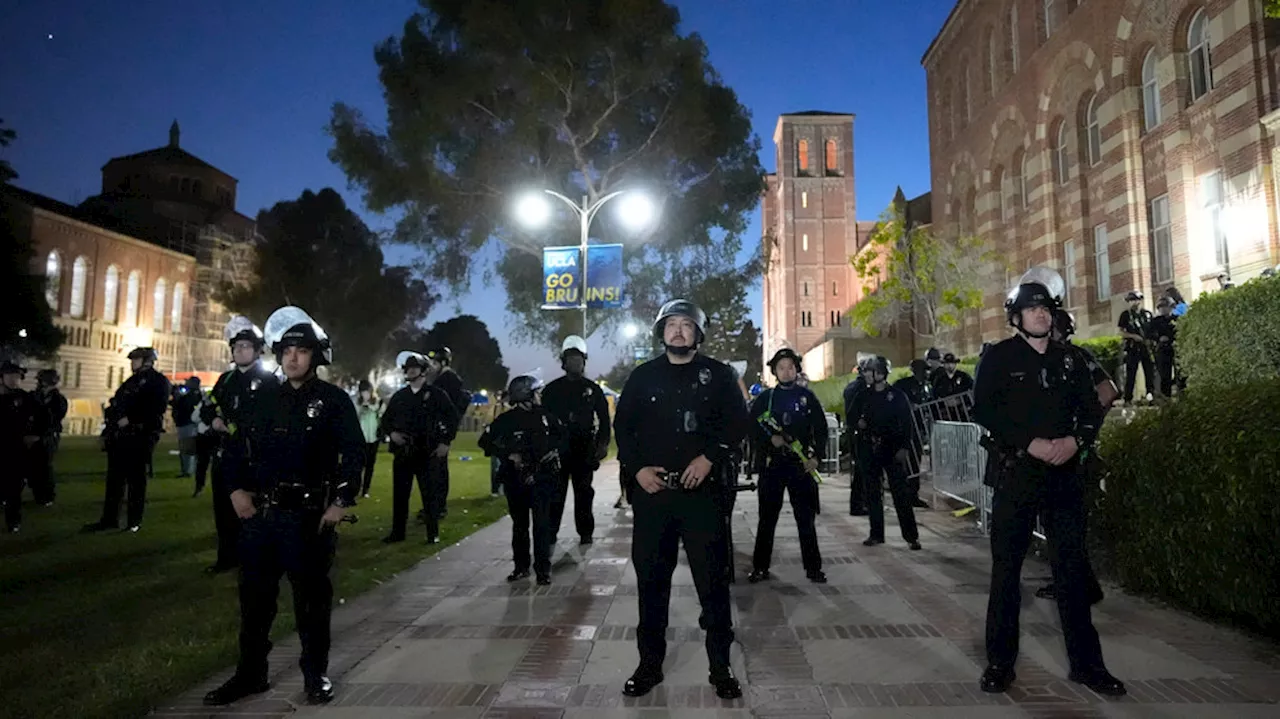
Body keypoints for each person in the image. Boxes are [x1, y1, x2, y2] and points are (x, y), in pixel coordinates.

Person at [973, 267, 1124, 697]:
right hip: (1018, 474)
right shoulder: (999, 359)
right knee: (1006, 573)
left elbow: (1092, 409)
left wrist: (1076, 442)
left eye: (1045, 308)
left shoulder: (1071, 360)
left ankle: (1088, 666)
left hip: (1064, 477)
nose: (1040, 314)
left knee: (1072, 572)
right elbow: (985, 411)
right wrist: (1030, 443)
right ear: (1016, 317)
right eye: (1030, 308)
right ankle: (1000, 664)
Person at [204, 306, 365, 707]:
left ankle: (315, 675)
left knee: (311, 604)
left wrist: (341, 502)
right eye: (287, 349)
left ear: (316, 356)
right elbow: (237, 449)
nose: (293, 357)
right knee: (254, 602)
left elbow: (354, 454)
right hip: (263, 517)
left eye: (302, 350)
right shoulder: (263, 400)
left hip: (309, 518)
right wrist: (236, 491)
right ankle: (250, 675)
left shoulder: (333, 401)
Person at [613, 299, 747, 700]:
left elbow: (737, 423)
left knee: (713, 582)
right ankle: (649, 664)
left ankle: (720, 665)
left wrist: (709, 458)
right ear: (661, 331)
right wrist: (637, 470)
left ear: (698, 333)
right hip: (654, 497)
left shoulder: (719, 376)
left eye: (686, 325)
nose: (678, 331)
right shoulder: (642, 377)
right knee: (652, 583)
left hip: (702, 496)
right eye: (671, 324)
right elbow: (625, 430)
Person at [1033, 309, 1111, 605]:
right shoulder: (1064, 358)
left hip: (1072, 454)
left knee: (1066, 523)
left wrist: (1082, 432)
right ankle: (1078, 584)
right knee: (1063, 523)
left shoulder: (1072, 358)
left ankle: (1077, 586)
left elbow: (1108, 392)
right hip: (1064, 450)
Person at [201, 316, 279, 573]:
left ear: (257, 351)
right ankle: (226, 558)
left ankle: (253, 560)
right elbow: (209, 406)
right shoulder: (225, 380)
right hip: (224, 454)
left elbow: (268, 418)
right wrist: (213, 420)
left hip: (251, 456)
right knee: (222, 511)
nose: (240, 351)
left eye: (246, 347)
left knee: (250, 511)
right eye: (236, 347)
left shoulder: (267, 381)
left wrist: (236, 425)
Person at [747, 348, 828, 584]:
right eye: (781, 367)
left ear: (796, 369)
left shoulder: (807, 397)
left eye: (790, 367)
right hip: (773, 466)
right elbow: (752, 427)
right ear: (774, 371)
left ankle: (813, 568)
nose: (786, 371)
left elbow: (820, 430)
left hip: (800, 466)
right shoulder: (766, 398)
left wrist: (816, 458)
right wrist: (769, 440)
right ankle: (760, 567)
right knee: (767, 519)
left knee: (806, 519)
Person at [479, 373, 565, 585]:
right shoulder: (506, 420)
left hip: (542, 478)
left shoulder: (545, 416)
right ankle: (521, 566)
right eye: (536, 392)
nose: (539, 396)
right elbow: (485, 442)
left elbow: (563, 437)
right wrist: (509, 453)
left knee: (541, 525)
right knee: (520, 525)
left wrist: (552, 451)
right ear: (526, 394)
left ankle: (543, 570)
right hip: (515, 479)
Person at [84, 347, 170, 533]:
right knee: (114, 479)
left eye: (136, 360)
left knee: (136, 480)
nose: (132, 363)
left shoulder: (158, 382)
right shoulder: (131, 382)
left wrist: (132, 419)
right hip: (120, 436)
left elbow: (155, 409)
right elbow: (117, 404)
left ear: (147, 361)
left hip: (141, 435)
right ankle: (109, 519)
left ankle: (134, 520)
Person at [380, 351, 459, 544]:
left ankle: (433, 533)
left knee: (429, 495)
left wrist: (445, 442)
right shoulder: (400, 396)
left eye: (414, 368)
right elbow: (386, 420)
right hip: (403, 453)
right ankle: (398, 533)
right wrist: (392, 434)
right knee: (400, 495)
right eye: (407, 368)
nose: (409, 371)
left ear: (423, 371)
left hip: (426, 452)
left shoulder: (436, 395)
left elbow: (452, 418)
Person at [542, 335, 611, 545]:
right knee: (555, 494)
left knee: (584, 493)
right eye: (571, 360)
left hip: (584, 448)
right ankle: (550, 532)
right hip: (558, 448)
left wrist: (602, 444)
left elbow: (604, 420)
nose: (576, 363)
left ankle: (586, 532)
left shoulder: (593, 389)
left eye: (579, 360)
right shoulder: (552, 390)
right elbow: (541, 419)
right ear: (564, 363)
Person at [850, 356, 920, 550]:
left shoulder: (896, 395)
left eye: (870, 371)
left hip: (892, 449)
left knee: (900, 494)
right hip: (870, 449)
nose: (866, 375)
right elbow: (851, 416)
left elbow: (907, 424)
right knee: (873, 493)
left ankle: (911, 536)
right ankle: (876, 534)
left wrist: (904, 447)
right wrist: (859, 424)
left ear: (880, 373)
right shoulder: (863, 395)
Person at [422, 346, 469, 522]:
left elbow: (450, 412)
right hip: (437, 431)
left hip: (442, 432)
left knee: (438, 471)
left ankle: (438, 507)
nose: (432, 366)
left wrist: (446, 437)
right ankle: (433, 506)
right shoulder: (444, 378)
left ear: (443, 362)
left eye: (434, 363)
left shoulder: (449, 380)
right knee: (434, 470)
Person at [2, 360, 48, 533]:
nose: (14, 379)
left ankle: (13, 521)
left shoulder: (26, 398)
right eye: (10, 375)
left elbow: (44, 417)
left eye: (17, 376)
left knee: (14, 488)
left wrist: (36, 434)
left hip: (15, 450)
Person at [892, 359, 936, 506]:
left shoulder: (926, 386)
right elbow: (894, 402)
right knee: (905, 463)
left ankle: (912, 495)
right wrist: (909, 406)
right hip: (904, 430)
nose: (926, 373)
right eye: (924, 370)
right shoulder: (903, 385)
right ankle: (903, 493)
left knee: (915, 463)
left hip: (918, 430)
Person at [842, 354, 875, 516]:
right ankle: (859, 505)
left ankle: (861, 504)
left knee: (862, 471)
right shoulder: (861, 389)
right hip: (860, 434)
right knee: (863, 472)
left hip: (855, 433)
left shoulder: (853, 386)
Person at [31, 368, 67, 506]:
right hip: (36, 435)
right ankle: (38, 493)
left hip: (49, 435)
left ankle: (47, 496)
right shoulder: (36, 396)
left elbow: (55, 418)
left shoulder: (58, 399)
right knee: (34, 465)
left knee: (45, 465)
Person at [1116, 290, 1155, 404]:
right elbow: (1121, 332)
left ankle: (1150, 395)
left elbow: (1152, 331)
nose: (1133, 303)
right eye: (1130, 300)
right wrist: (1133, 336)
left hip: (1145, 347)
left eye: (1135, 300)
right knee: (1131, 373)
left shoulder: (1147, 314)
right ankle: (1128, 398)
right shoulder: (1126, 315)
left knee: (1149, 372)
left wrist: (1151, 340)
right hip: (1133, 347)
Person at [354, 380, 384, 498]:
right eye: (363, 392)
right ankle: (356, 487)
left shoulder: (376, 402)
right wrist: (362, 407)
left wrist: (370, 406)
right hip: (361, 437)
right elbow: (356, 415)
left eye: (367, 392)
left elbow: (379, 412)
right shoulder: (357, 403)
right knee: (359, 464)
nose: (365, 394)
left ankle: (366, 489)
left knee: (370, 465)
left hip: (373, 437)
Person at [173, 376, 203, 478]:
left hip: (187, 423)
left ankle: (187, 471)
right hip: (187, 423)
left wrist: (179, 397)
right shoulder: (195, 394)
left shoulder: (191, 396)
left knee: (187, 448)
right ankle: (188, 470)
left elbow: (183, 406)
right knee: (188, 448)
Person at [1149, 298, 1179, 398]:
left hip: (1176, 348)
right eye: (1160, 307)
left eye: (1165, 307)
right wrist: (1158, 338)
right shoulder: (1156, 321)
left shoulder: (1177, 319)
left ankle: (1181, 394)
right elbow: (1149, 334)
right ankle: (1166, 397)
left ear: (1171, 307)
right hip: (1162, 349)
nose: (1163, 309)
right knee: (1164, 375)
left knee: (1180, 374)